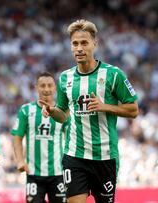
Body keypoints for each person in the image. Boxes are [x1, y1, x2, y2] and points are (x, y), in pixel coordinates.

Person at [40, 19, 139, 203]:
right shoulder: (65, 78)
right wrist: (52, 110)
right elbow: (63, 115)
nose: (79, 48)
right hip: (75, 155)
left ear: (95, 43)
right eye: (75, 43)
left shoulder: (113, 74)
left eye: (84, 43)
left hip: (105, 156)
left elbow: (133, 110)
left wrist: (104, 106)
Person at [12, 72, 67, 203]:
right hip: (34, 173)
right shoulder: (26, 110)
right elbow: (17, 137)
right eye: (42, 85)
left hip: (58, 173)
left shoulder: (63, 112)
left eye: (50, 86)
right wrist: (20, 160)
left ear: (55, 88)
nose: (46, 89)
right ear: (36, 87)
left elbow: (71, 138)